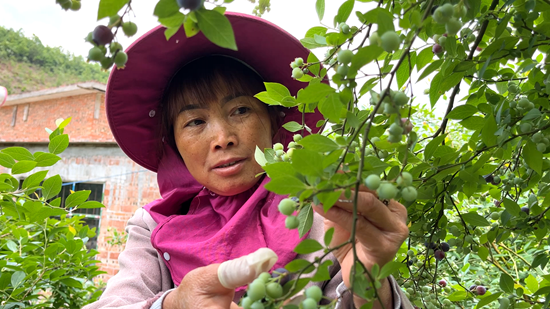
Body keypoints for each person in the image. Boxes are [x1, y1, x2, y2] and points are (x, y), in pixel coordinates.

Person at [84, 12, 412, 309]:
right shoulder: (155, 225)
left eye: (241, 110)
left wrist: (370, 284)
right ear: (174, 144)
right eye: (195, 122)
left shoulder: (323, 211)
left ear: (274, 122)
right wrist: (174, 304)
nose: (222, 137)